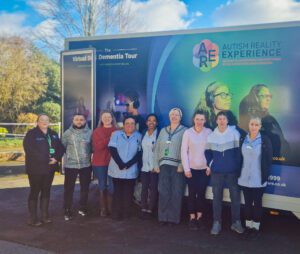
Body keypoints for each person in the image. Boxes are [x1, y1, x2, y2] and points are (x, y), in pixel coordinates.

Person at [205, 111, 244, 235]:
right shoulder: (211, 136)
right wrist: (212, 164)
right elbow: (207, 153)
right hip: (217, 173)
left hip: (232, 172)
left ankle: (236, 222)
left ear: (227, 121)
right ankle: (217, 222)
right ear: (216, 121)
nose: (222, 121)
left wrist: (237, 168)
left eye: (224, 119)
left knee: (235, 198)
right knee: (217, 198)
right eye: (219, 119)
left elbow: (238, 154)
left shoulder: (234, 133)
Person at [23, 114, 64, 226]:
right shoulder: (31, 134)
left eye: (46, 120)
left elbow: (61, 148)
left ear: (49, 121)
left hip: (50, 168)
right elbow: (29, 150)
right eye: (42, 120)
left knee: (46, 191)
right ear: (37, 122)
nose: (44, 122)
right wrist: (46, 159)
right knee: (35, 191)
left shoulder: (53, 134)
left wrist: (56, 158)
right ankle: (33, 218)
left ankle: (45, 216)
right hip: (35, 169)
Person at [238, 116, 273, 238]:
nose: (253, 127)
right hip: (244, 178)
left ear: (260, 126)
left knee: (257, 203)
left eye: (256, 125)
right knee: (247, 203)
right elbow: (239, 157)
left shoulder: (265, 140)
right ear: (249, 125)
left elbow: (268, 161)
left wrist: (265, 175)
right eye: (252, 124)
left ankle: (256, 227)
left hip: (258, 179)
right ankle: (248, 226)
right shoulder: (243, 138)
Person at [154, 108, 187, 225]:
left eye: (176, 115)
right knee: (163, 191)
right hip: (163, 165)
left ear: (180, 117)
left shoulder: (185, 131)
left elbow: (187, 150)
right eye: (172, 114)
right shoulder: (163, 130)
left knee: (176, 192)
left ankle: (173, 218)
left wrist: (182, 165)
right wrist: (155, 164)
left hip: (177, 166)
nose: (174, 116)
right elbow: (157, 148)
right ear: (169, 117)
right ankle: (163, 217)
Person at [239, 84, 289, 159]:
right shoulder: (248, 119)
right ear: (255, 98)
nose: (268, 99)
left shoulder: (271, 119)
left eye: (269, 96)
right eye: (263, 96)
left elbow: (283, 145)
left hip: (274, 161)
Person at [181, 110, 212, 230]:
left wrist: (209, 166)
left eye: (202, 119)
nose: (199, 122)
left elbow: (212, 151)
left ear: (205, 121)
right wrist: (186, 169)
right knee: (192, 194)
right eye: (197, 119)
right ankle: (192, 218)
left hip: (204, 170)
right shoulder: (188, 132)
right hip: (191, 170)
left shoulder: (209, 132)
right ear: (194, 119)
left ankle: (199, 217)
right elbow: (184, 151)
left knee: (201, 194)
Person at [108, 116, 142, 220]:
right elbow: (112, 148)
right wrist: (120, 163)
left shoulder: (139, 136)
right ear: (123, 124)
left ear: (135, 125)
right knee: (117, 192)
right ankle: (116, 214)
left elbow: (139, 152)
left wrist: (129, 164)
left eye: (132, 123)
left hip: (131, 170)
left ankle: (126, 214)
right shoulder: (116, 134)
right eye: (127, 123)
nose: (130, 125)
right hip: (117, 169)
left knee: (128, 193)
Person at [61, 114, 92, 221]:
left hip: (86, 165)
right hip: (71, 165)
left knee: (85, 189)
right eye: (77, 120)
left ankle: (83, 208)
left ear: (85, 121)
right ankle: (67, 209)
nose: (79, 121)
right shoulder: (67, 134)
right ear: (73, 121)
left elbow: (92, 148)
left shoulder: (90, 133)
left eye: (81, 120)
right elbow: (62, 147)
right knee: (69, 189)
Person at [92, 110, 117, 217]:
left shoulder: (117, 131)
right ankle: (103, 209)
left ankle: (111, 209)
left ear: (112, 118)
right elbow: (98, 147)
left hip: (114, 163)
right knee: (102, 185)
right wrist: (109, 138)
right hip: (100, 162)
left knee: (112, 186)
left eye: (109, 117)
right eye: (104, 117)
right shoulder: (97, 131)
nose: (107, 119)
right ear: (101, 119)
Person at [140, 114, 160, 218]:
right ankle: (143, 208)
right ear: (146, 122)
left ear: (157, 123)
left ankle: (151, 209)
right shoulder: (143, 133)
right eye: (149, 120)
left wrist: (157, 166)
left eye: (154, 120)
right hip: (144, 167)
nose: (151, 122)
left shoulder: (159, 134)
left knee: (153, 189)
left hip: (154, 167)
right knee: (144, 188)